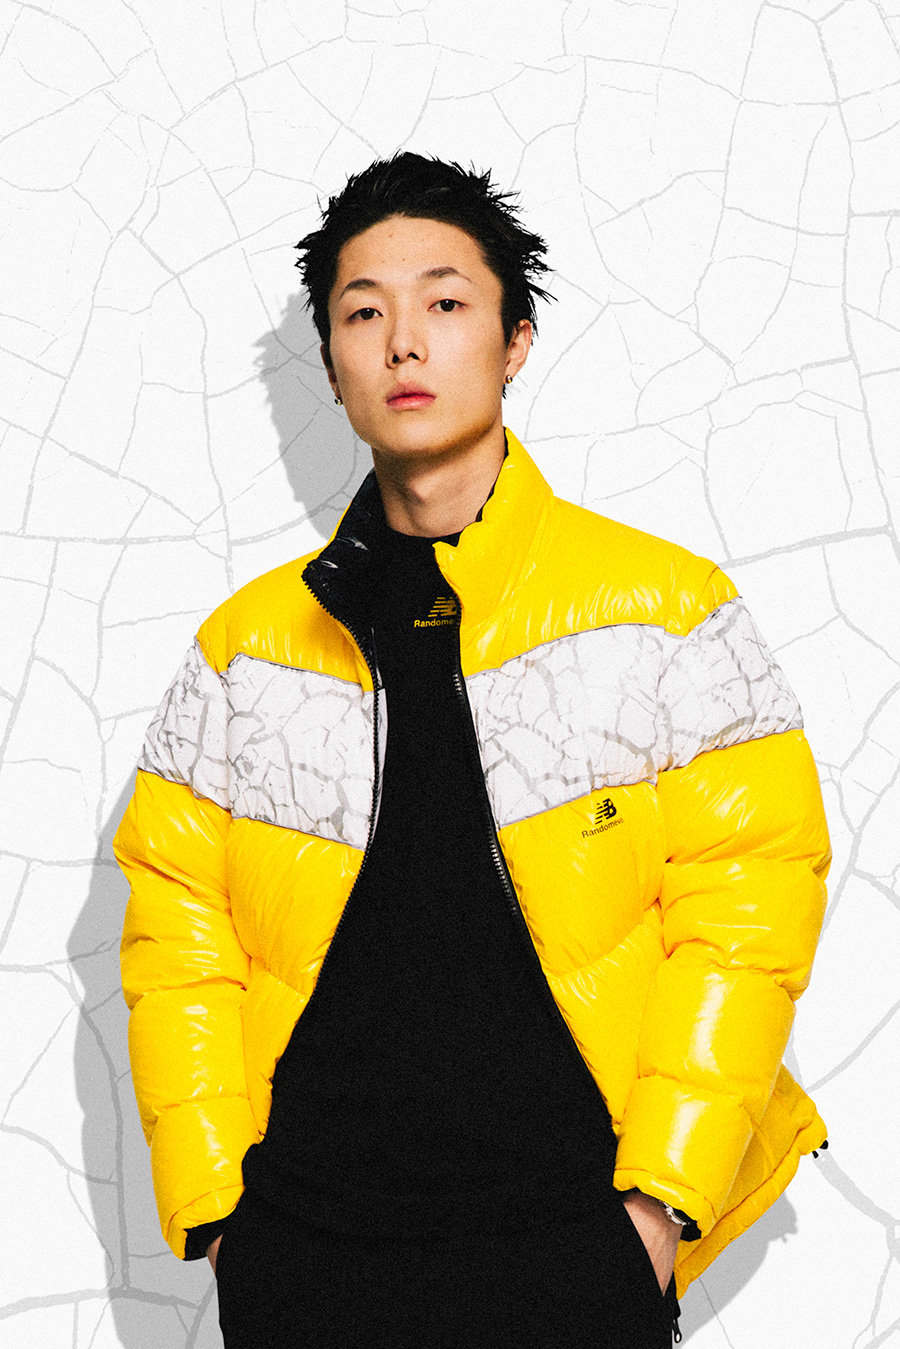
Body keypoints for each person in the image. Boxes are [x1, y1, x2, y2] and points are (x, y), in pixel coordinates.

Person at [114, 152, 831, 1348]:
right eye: (363, 313)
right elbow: (174, 934)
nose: (404, 342)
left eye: (445, 302)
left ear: (514, 343)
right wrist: (225, 1216)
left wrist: (658, 1208)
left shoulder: (666, 611)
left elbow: (751, 910)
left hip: (572, 1248)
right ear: (331, 363)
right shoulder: (243, 651)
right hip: (306, 1259)